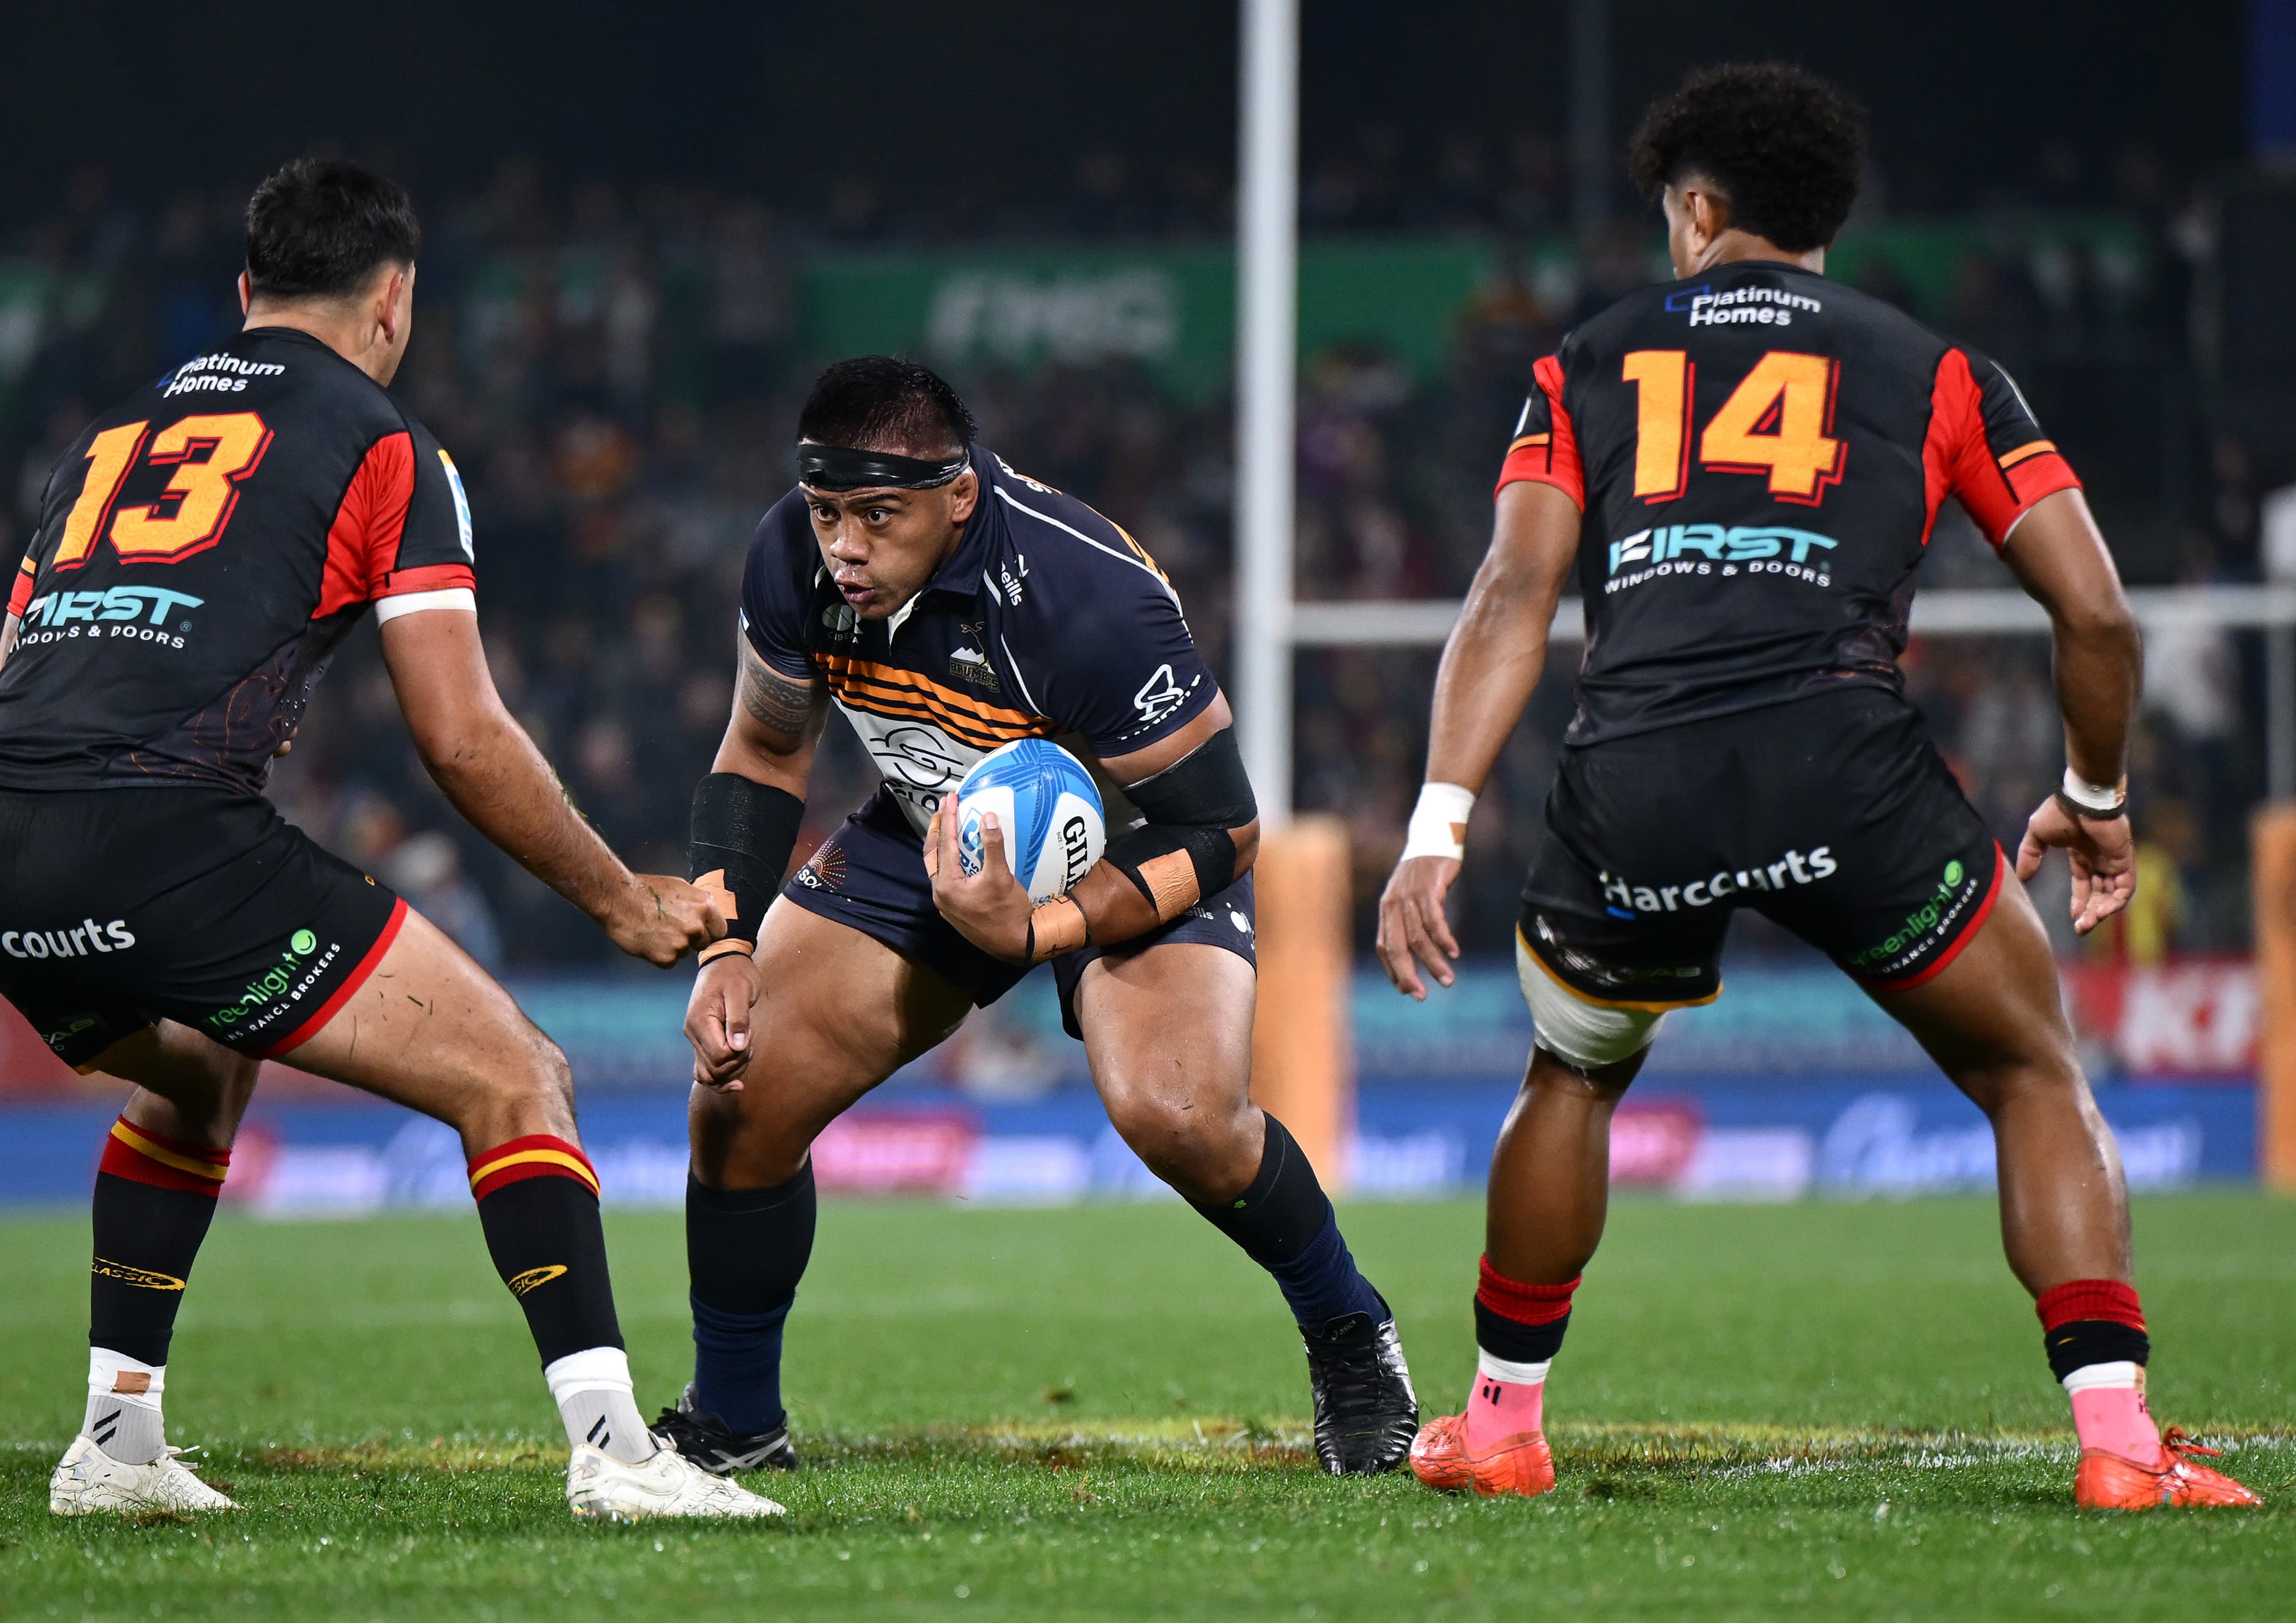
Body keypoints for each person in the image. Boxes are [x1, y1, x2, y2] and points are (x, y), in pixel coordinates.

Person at [1375, 64, 2258, 1512]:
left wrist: (1436, 826)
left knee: (1576, 1075)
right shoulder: (1943, 370)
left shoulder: (1583, 362)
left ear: (1701, 210)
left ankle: (1499, 1423)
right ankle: (2118, 1446)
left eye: (1673, 213)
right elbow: (2097, 615)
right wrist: (2094, 790)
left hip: (1636, 774)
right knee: (2031, 1068)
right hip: (1844, 770)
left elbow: (1509, 592)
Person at [0, 158, 780, 1523]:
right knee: (518, 1073)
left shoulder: (101, 440)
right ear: (393, 301)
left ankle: (115, 1436)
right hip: (161, 839)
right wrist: (623, 898)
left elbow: (6, 685)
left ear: (244, 295)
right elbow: (461, 733)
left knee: (197, 1069)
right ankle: (620, 1449)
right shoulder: (381, 439)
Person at [662, 356, 1417, 1477]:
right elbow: (765, 750)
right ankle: (734, 1417)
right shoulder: (788, 554)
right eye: (828, 513)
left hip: (1131, 844)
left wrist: (1038, 932)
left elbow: (1222, 827)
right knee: (738, 1096)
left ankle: (1351, 1333)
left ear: (958, 495)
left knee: (1179, 1115)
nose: (845, 547)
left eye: (879, 515)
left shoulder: (1084, 598)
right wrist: (724, 939)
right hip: (931, 822)